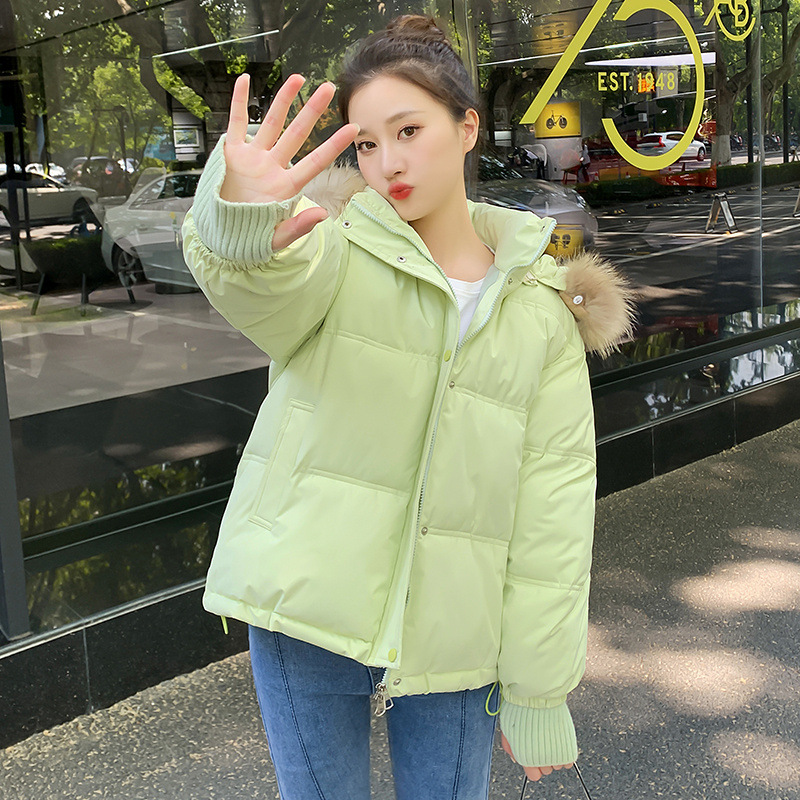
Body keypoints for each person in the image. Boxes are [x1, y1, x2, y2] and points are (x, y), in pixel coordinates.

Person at [181, 14, 636, 800]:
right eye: (365, 143)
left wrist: (538, 688)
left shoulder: (540, 312)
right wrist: (238, 218)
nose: (386, 161)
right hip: (305, 605)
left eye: (408, 130)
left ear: (467, 128)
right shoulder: (330, 250)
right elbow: (255, 285)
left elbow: (552, 516)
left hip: (457, 634)